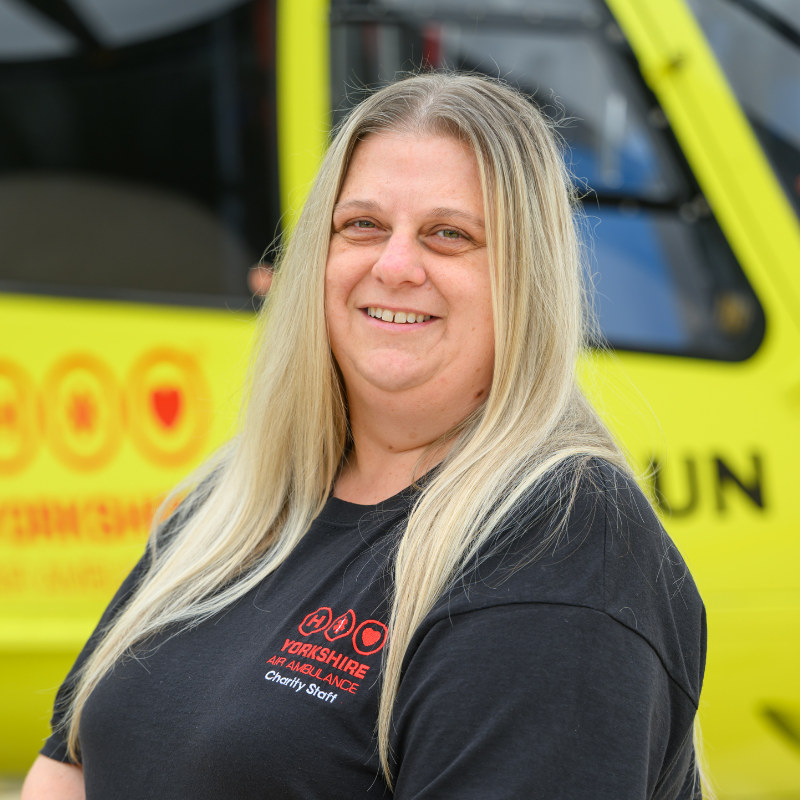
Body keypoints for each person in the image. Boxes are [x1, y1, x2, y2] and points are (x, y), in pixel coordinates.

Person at [23, 72, 707, 800]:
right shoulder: (231, 505)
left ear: (527, 279)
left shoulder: (559, 554)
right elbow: (66, 770)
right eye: (363, 226)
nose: (394, 265)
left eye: (450, 235)